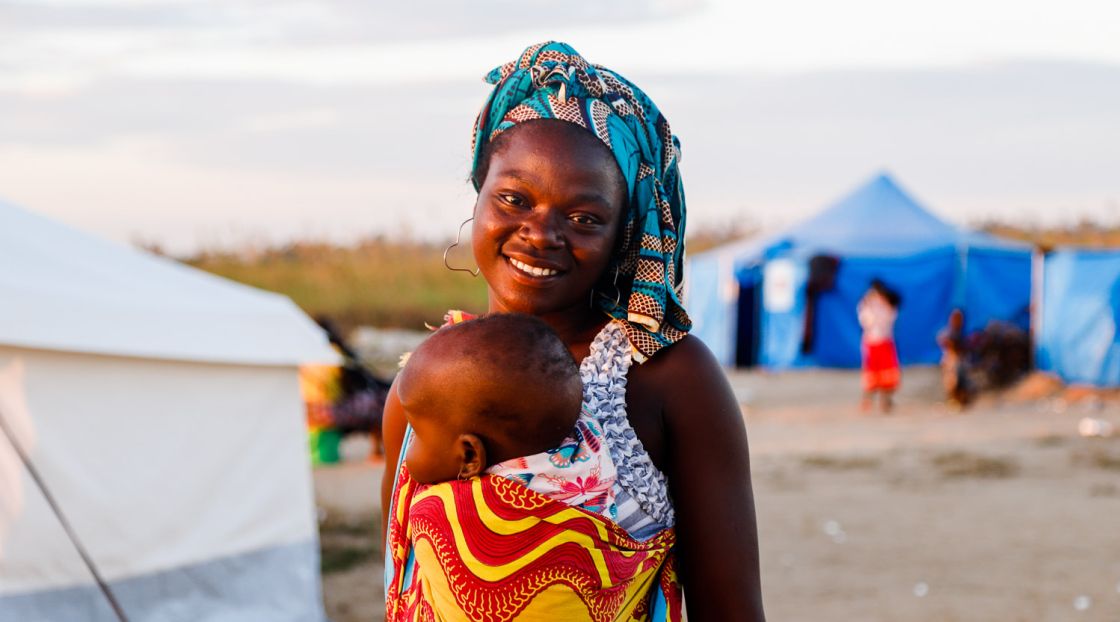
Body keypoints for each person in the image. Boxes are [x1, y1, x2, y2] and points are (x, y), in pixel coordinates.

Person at [382, 41, 765, 621]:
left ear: (623, 234)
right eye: (514, 198)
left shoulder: (667, 377)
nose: (540, 233)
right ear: (478, 192)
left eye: (584, 218)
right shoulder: (426, 381)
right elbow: (400, 581)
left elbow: (731, 610)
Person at [397, 312, 617, 519]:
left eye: (416, 431)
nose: (408, 441)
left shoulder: (460, 518)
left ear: (469, 456)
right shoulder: (592, 460)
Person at [857, 278, 902, 413]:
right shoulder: (866, 302)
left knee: (887, 372)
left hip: (885, 340)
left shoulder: (888, 302)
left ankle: (885, 400)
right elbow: (865, 320)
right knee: (871, 372)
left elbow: (891, 316)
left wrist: (884, 301)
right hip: (871, 341)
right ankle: (868, 399)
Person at [937, 308, 972, 408]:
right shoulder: (947, 333)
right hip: (951, 361)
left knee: (960, 380)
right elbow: (942, 341)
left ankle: (960, 399)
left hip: (959, 362)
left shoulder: (963, 335)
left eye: (959, 318)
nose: (957, 321)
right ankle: (952, 399)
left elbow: (963, 350)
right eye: (955, 318)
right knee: (951, 380)